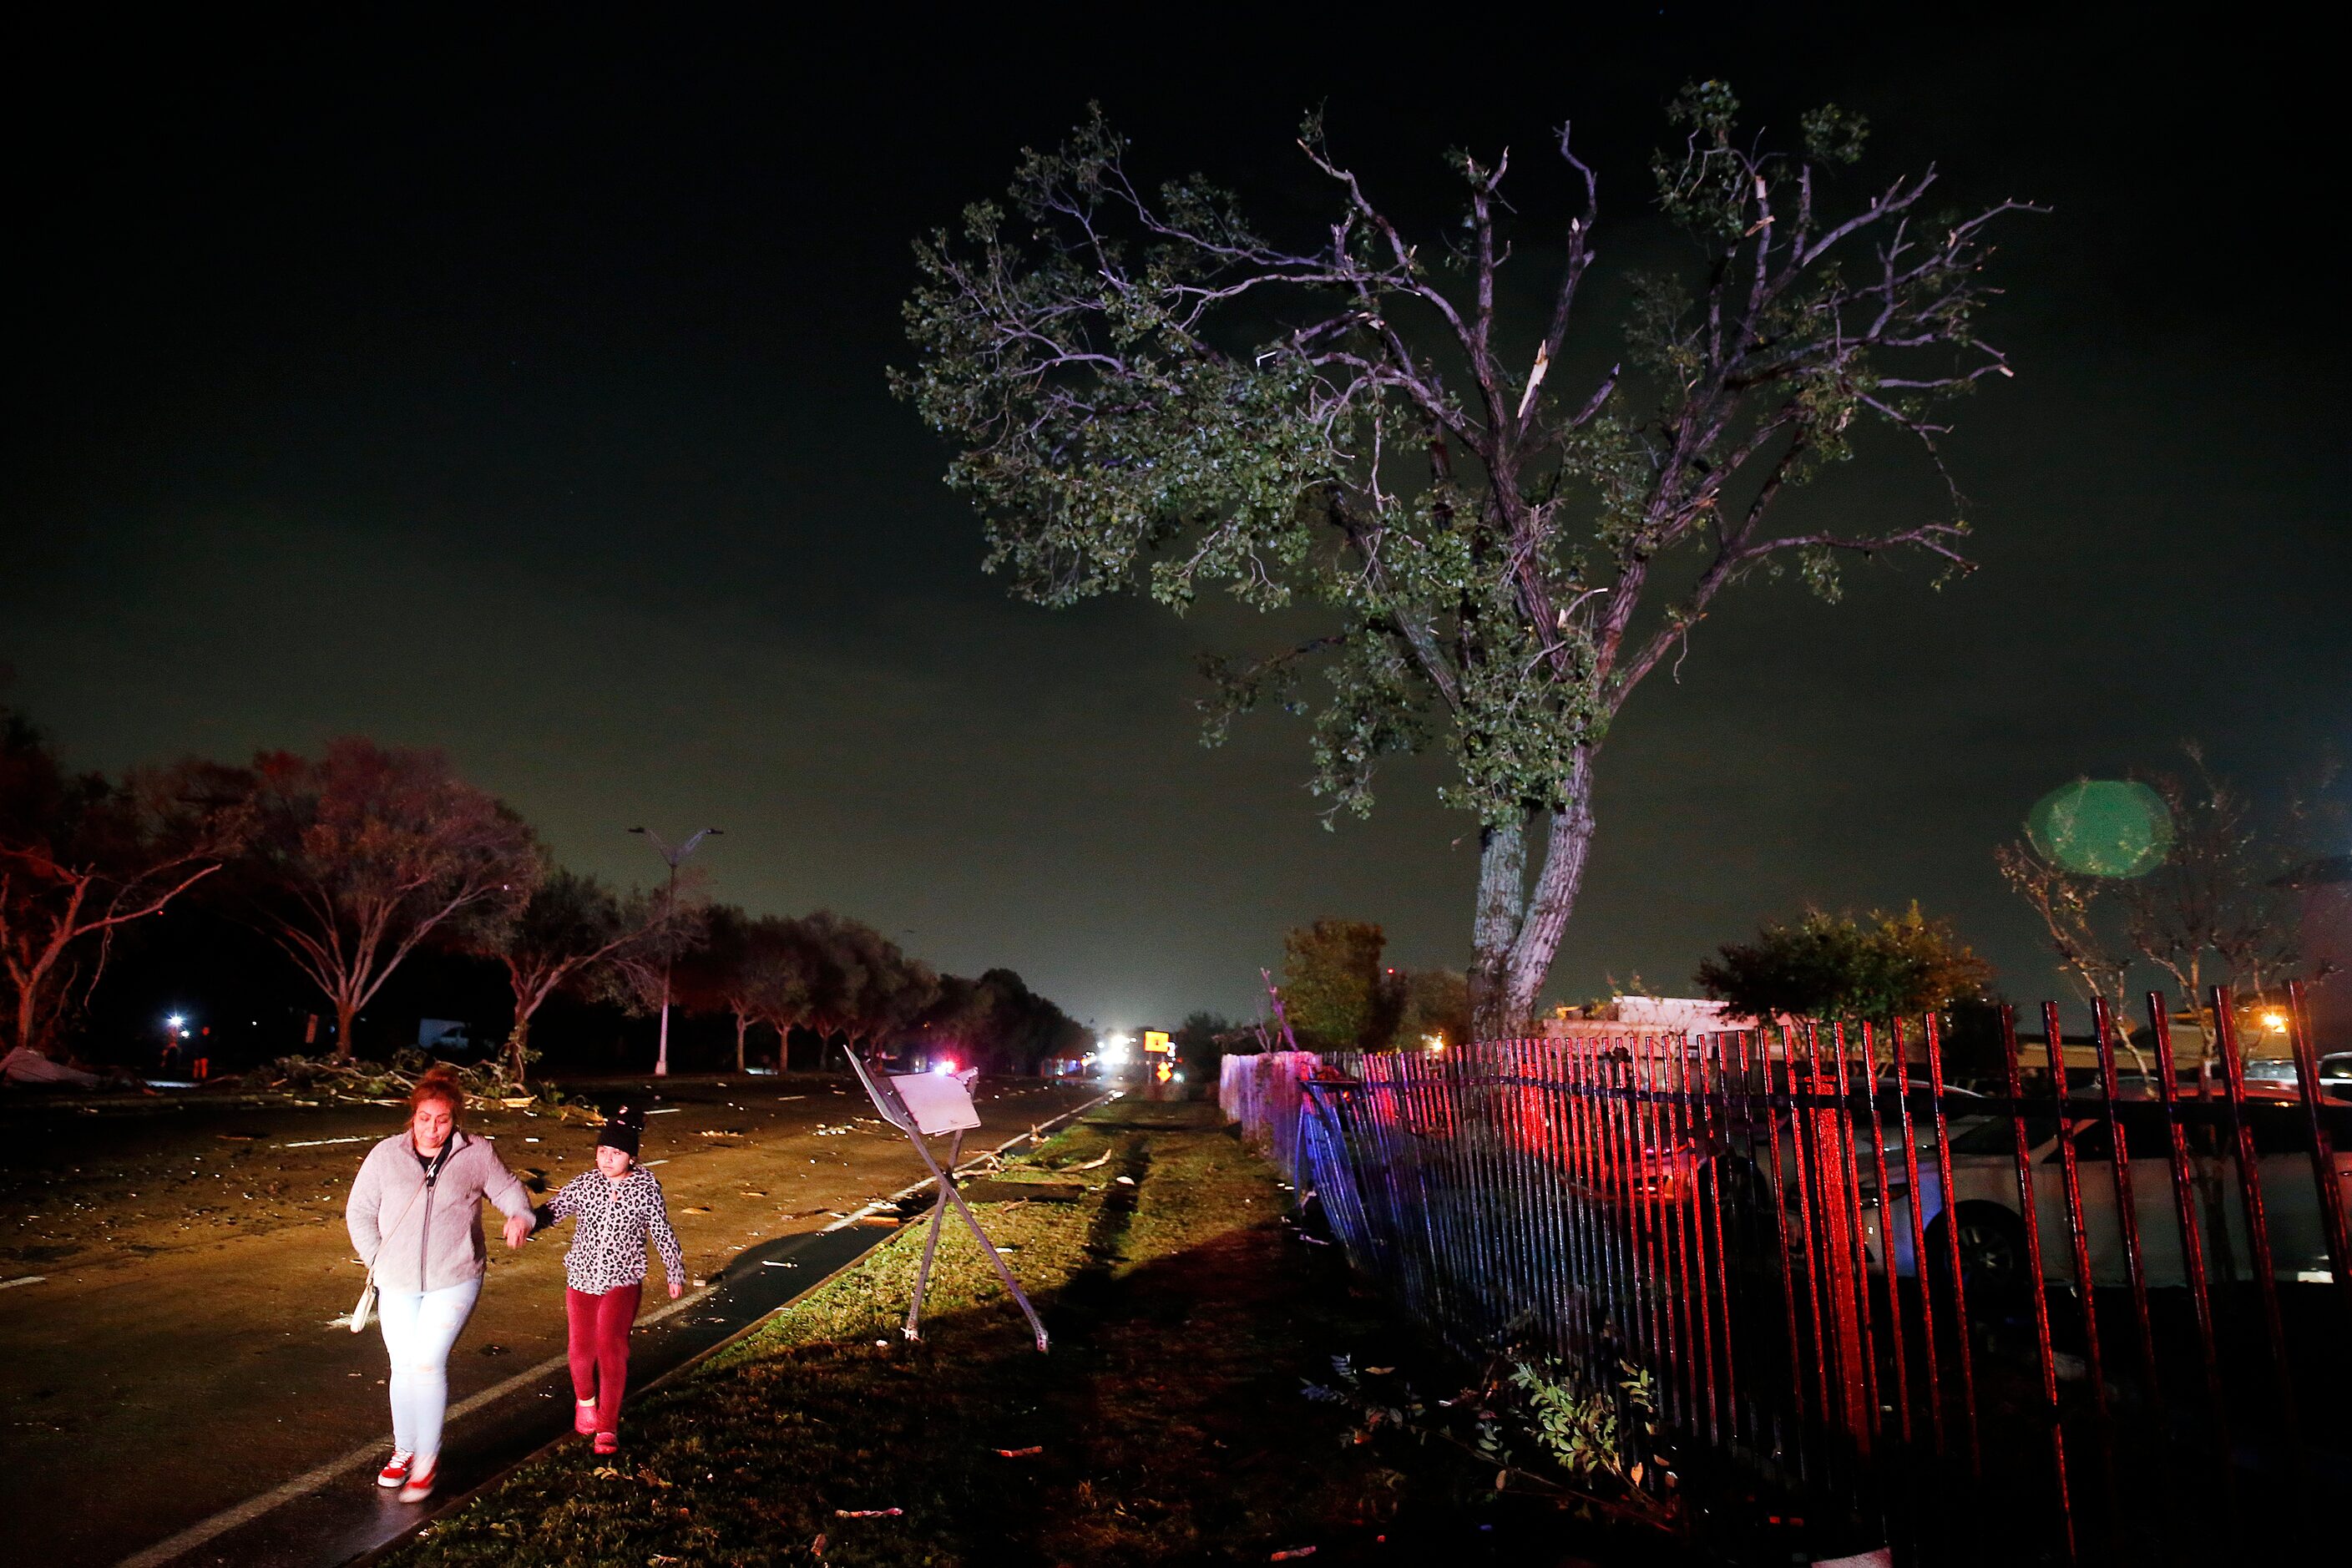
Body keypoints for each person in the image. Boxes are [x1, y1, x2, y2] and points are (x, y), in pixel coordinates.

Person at [344, 1064, 535, 1502]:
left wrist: (520, 1216)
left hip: (455, 1276)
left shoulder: (476, 1153)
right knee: (402, 1365)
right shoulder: (385, 1156)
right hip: (397, 1280)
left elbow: (507, 1190)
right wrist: (378, 1259)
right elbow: (359, 1212)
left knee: (428, 1362)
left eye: (443, 1120)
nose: (432, 1129)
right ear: (412, 1116)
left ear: (456, 1120)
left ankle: (427, 1461)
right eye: (424, 1119)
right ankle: (405, 1450)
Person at [528, 1104, 685, 1455]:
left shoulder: (646, 1188)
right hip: (581, 1279)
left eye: (616, 1153)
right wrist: (525, 1223)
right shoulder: (586, 1184)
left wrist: (674, 1272)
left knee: (611, 1348)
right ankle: (585, 1400)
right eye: (602, 1151)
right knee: (581, 1353)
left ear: (631, 1156)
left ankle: (608, 1427)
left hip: (622, 1280)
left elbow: (662, 1232)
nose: (607, 1159)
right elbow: (554, 1209)